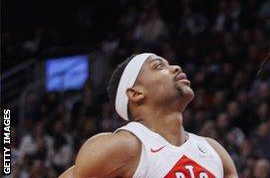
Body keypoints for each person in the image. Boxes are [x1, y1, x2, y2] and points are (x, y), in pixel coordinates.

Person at [57, 53, 238, 178]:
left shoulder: (215, 152)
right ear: (136, 93)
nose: (176, 67)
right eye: (159, 66)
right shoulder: (122, 147)